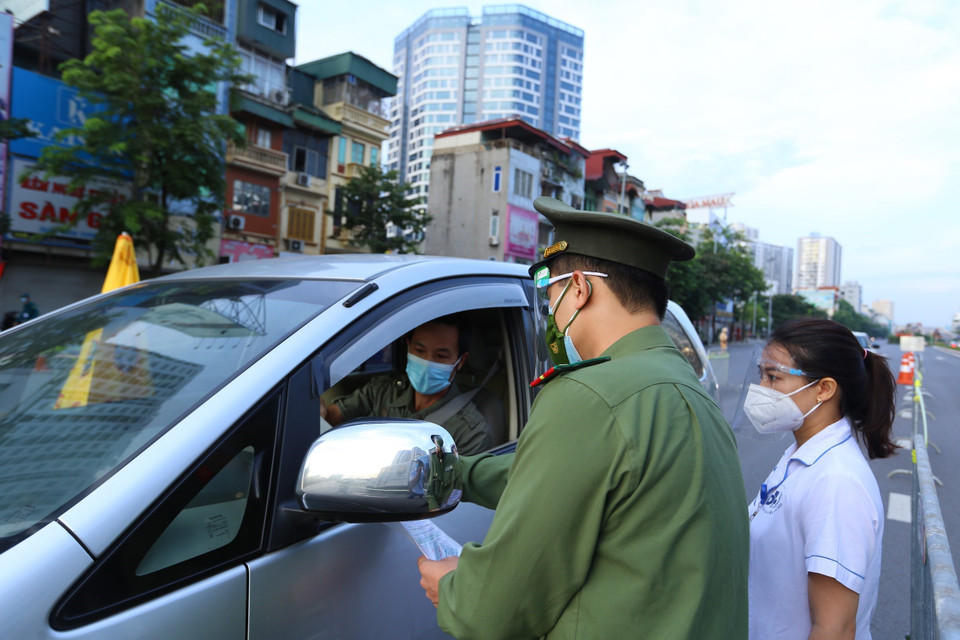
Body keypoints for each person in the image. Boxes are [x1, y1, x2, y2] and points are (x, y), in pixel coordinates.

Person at [417, 197, 749, 638]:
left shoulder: (589, 395)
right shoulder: (689, 390)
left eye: (550, 294)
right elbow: (566, 474)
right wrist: (457, 473)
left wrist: (453, 588)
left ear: (578, 289)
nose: (550, 312)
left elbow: (495, 609)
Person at [743, 319, 897, 640]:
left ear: (824, 389)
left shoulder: (836, 482)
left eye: (773, 377)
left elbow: (834, 629)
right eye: (761, 375)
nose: (761, 389)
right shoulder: (800, 455)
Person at [322, 314, 492, 456]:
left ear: (460, 361)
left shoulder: (470, 431)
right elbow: (332, 417)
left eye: (441, 356)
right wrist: (320, 412)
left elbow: (458, 493)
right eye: (419, 351)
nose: (427, 362)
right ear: (408, 347)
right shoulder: (382, 390)